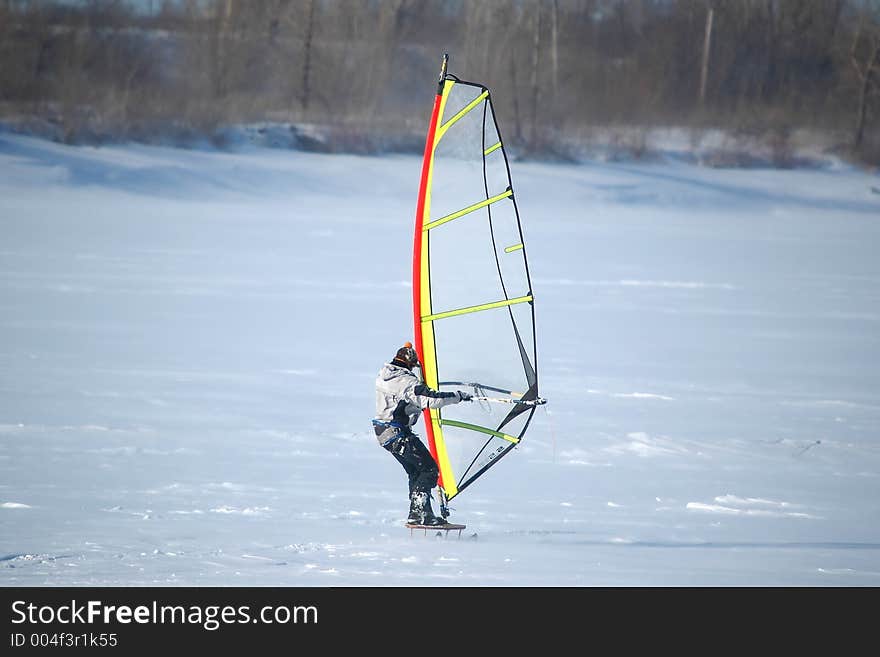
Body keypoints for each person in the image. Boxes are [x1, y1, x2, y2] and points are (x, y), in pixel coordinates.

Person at [373, 341, 472, 525]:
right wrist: (457, 396)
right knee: (429, 469)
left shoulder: (385, 375)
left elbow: (403, 402)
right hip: (396, 433)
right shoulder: (405, 382)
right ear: (410, 363)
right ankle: (422, 515)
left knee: (416, 471)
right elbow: (430, 400)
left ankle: (416, 513)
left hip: (384, 433)